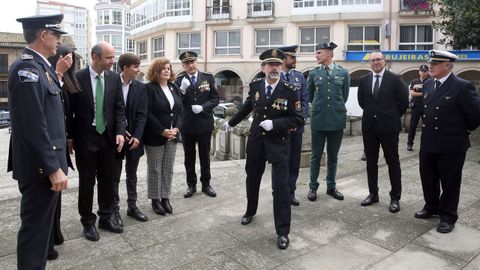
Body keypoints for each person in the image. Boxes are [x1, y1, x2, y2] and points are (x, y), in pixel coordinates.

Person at [225, 49, 304, 249]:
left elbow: (298, 118)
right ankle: (250, 211)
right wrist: (232, 123)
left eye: (278, 64)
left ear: (281, 66)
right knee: (252, 178)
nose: (274, 67)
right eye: (270, 64)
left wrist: (275, 124)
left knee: (281, 188)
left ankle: (283, 231)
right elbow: (248, 106)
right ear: (263, 68)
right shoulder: (256, 85)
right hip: (257, 141)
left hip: (278, 142)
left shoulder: (290, 89)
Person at [7, 14, 69, 269]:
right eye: (56, 35)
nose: (58, 41)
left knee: (43, 230)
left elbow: (48, 105)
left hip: (46, 163)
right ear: (44, 35)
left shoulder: (41, 67)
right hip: (41, 168)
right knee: (34, 232)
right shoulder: (27, 69)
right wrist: (52, 168)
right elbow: (33, 124)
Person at [415, 50, 480, 233]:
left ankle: (448, 216)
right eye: (430, 62)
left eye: (436, 63)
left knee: (450, 181)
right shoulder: (428, 84)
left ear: (448, 66)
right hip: (428, 142)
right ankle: (431, 206)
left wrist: (462, 131)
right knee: (428, 178)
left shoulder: (462, 86)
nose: (431, 66)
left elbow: (475, 115)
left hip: (451, 144)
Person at [69, 41, 126, 241]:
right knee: (87, 183)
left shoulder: (113, 78)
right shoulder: (77, 78)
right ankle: (87, 221)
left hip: (108, 138)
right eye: (109, 58)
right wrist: (70, 137)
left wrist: (120, 131)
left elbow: (119, 108)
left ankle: (106, 217)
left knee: (107, 180)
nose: (113, 61)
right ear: (95, 57)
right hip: (86, 137)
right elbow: (70, 112)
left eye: (113, 57)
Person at [357, 50, 409, 213]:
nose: (376, 62)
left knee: (392, 161)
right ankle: (373, 194)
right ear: (369, 63)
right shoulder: (364, 80)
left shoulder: (395, 79)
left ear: (384, 61)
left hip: (389, 127)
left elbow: (403, 102)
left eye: (378, 59)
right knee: (371, 162)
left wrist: (390, 116)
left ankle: (395, 198)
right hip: (370, 127)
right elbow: (362, 102)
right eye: (372, 60)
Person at [306, 42, 350, 202]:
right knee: (316, 156)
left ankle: (331, 186)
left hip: (336, 120)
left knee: (333, 157)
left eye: (319, 52)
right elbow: (309, 95)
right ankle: (313, 187)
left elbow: (344, 96)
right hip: (318, 120)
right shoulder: (313, 73)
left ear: (329, 54)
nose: (316, 56)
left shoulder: (343, 73)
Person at [176, 51, 219, 198]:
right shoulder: (179, 80)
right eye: (187, 63)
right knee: (189, 158)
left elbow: (215, 99)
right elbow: (175, 103)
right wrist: (182, 89)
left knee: (205, 156)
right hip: (187, 125)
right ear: (183, 65)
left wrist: (203, 107)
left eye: (192, 62)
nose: (191, 65)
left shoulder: (207, 77)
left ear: (196, 62)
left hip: (204, 123)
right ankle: (191, 185)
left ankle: (206, 184)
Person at [112, 53, 148, 224]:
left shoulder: (141, 87)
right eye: (135, 66)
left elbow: (143, 115)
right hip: (116, 139)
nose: (138, 69)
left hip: (134, 139)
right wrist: (119, 130)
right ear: (125, 67)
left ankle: (132, 207)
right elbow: (108, 111)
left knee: (132, 175)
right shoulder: (111, 82)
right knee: (114, 176)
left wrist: (137, 137)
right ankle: (114, 209)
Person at [144, 57, 183, 215]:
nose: (167, 70)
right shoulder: (149, 88)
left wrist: (177, 129)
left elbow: (180, 111)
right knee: (154, 168)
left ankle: (165, 197)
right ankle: (155, 200)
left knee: (168, 168)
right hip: (155, 135)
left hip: (172, 136)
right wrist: (162, 130)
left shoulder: (174, 87)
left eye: (169, 68)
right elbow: (147, 113)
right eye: (163, 68)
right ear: (156, 71)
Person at [48, 44, 79, 246]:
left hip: (61, 143)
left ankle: (55, 232)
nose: (69, 62)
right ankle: (49, 238)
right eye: (65, 58)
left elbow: (68, 115)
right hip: (49, 146)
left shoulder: (66, 79)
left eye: (71, 59)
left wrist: (70, 138)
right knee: (48, 192)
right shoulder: (49, 77)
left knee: (55, 193)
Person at [278, 45, 308, 206]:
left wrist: (298, 121)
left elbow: (304, 101)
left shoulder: (299, 77)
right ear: (284, 59)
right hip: (281, 128)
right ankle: (280, 192)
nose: (295, 60)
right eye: (292, 57)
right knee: (281, 162)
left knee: (294, 162)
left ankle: (291, 192)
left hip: (297, 128)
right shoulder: (275, 76)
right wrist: (285, 124)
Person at [407, 64, 429, 151]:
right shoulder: (414, 81)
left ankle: (426, 144)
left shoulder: (430, 81)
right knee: (412, 126)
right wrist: (424, 93)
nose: (423, 73)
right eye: (421, 71)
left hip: (426, 107)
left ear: (427, 72)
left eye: (425, 71)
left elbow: (431, 93)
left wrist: (419, 90)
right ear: (419, 72)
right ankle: (409, 144)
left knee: (427, 127)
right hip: (416, 107)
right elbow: (412, 93)